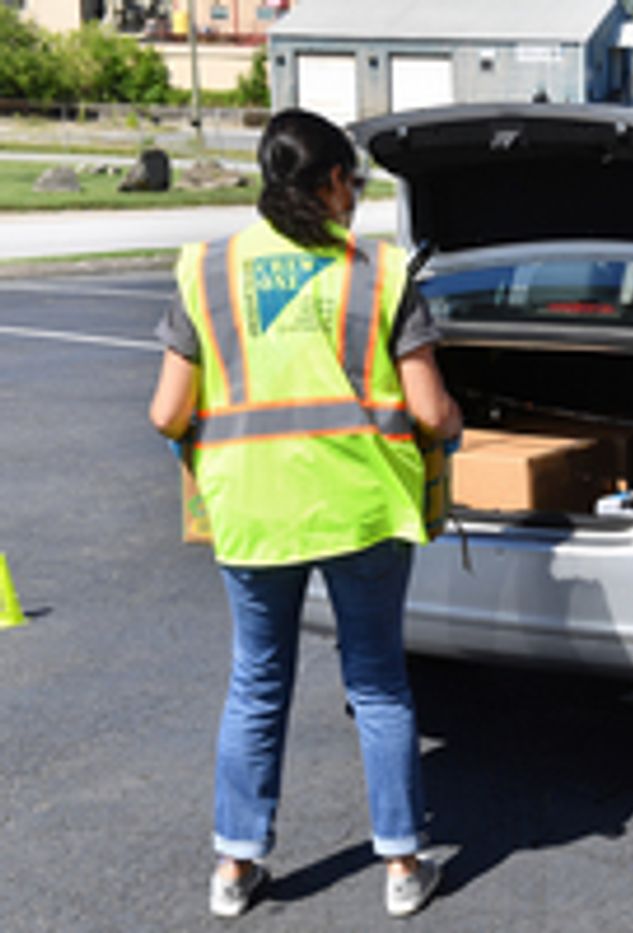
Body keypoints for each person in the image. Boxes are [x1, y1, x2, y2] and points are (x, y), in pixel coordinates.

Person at [148, 108, 463, 919]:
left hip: (253, 509)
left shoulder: (210, 271)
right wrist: (459, 423)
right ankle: (401, 865)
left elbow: (165, 411)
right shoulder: (379, 273)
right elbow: (429, 411)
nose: (355, 196)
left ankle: (236, 866)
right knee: (380, 684)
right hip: (362, 505)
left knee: (257, 683)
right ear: (329, 183)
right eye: (351, 182)